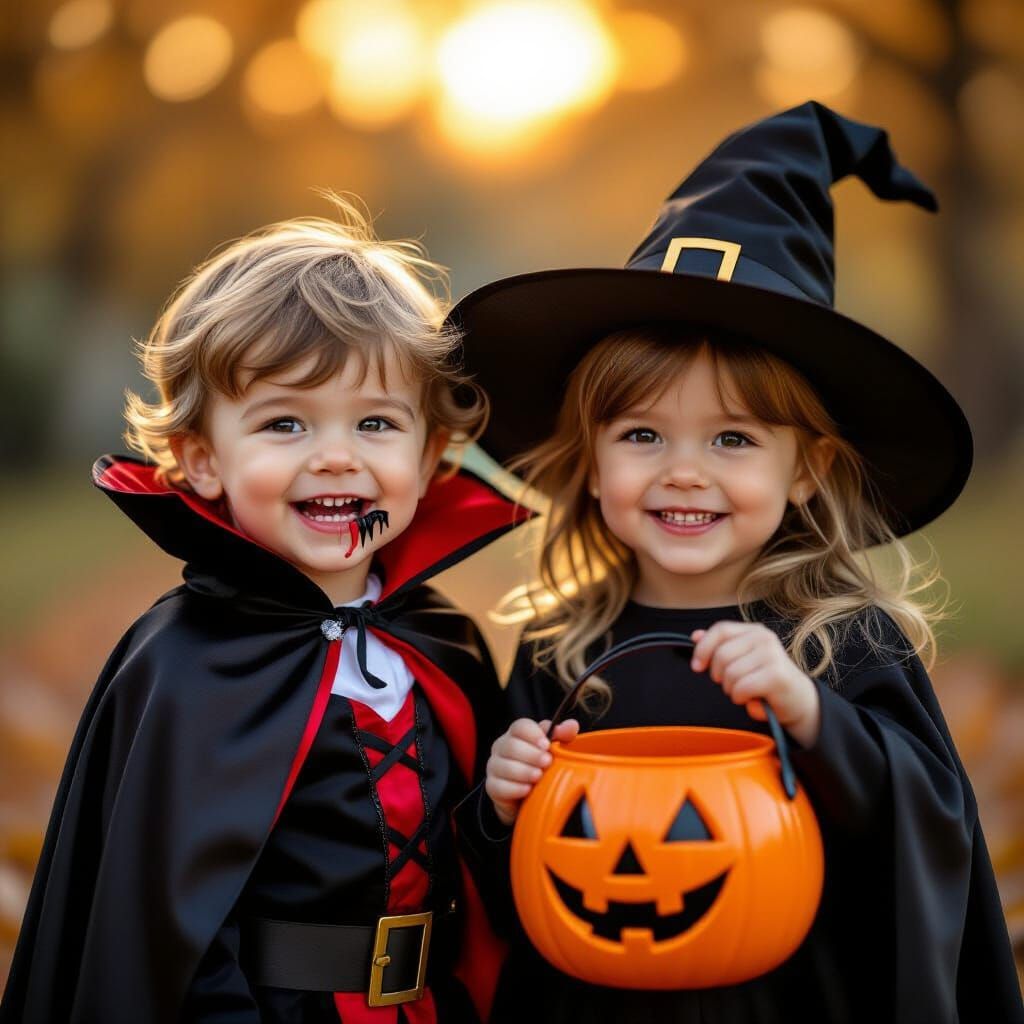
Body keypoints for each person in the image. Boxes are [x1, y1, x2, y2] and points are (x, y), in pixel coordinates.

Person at [451, 103, 1024, 1022]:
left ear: (807, 470)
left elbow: (929, 831)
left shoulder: (842, 643)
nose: (685, 471)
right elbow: (506, 883)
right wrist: (499, 803)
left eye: (733, 439)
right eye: (642, 435)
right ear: (590, 463)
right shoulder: (565, 649)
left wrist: (812, 715)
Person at [0, 197, 531, 1024]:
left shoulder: (444, 643)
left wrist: (498, 814)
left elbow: (489, 878)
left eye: (376, 423)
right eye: (285, 423)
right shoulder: (184, 663)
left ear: (429, 457)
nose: (336, 457)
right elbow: (167, 935)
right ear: (203, 459)